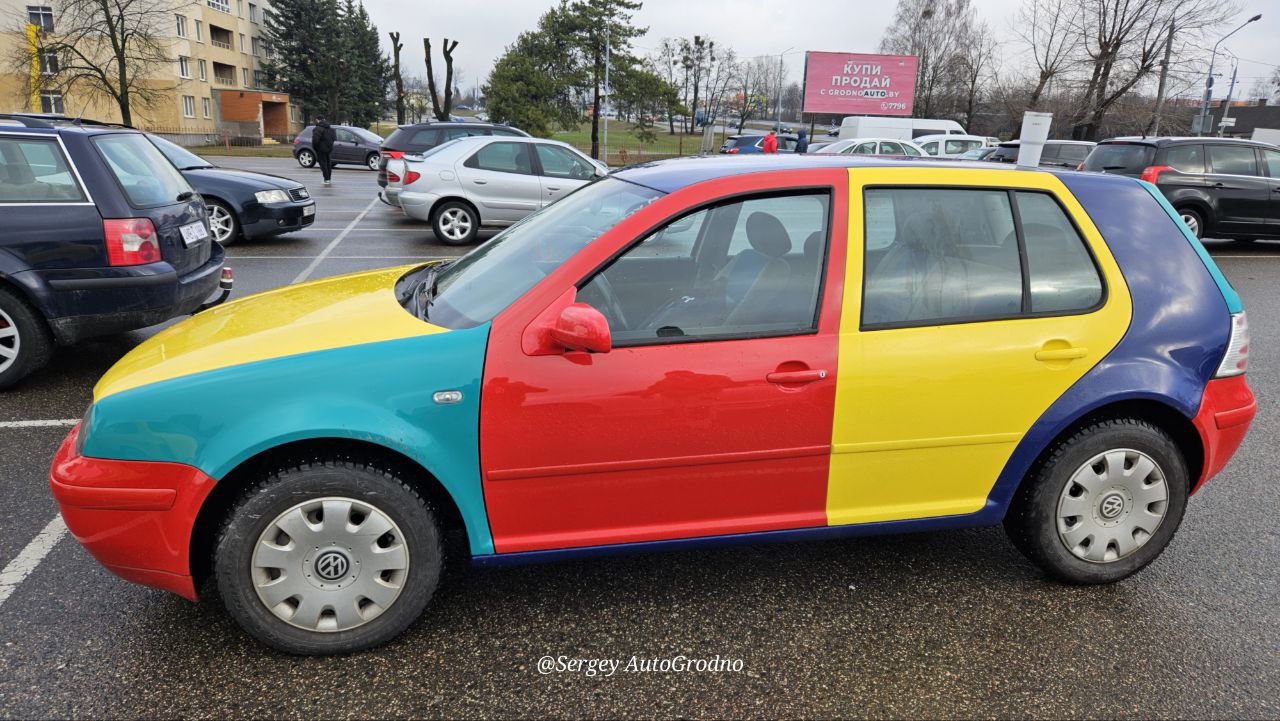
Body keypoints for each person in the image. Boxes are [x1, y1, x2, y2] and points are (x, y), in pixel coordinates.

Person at [312, 117, 336, 185]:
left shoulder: (317, 129)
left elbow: (315, 140)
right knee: (328, 163)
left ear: (317, 120)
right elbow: (334, 138)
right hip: (329, 149)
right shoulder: (331, 129)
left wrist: (315, 148)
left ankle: (326, 179)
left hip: (321, 149)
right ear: (324, 120)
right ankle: (329, 179)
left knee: (323, 164)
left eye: (316, 120)